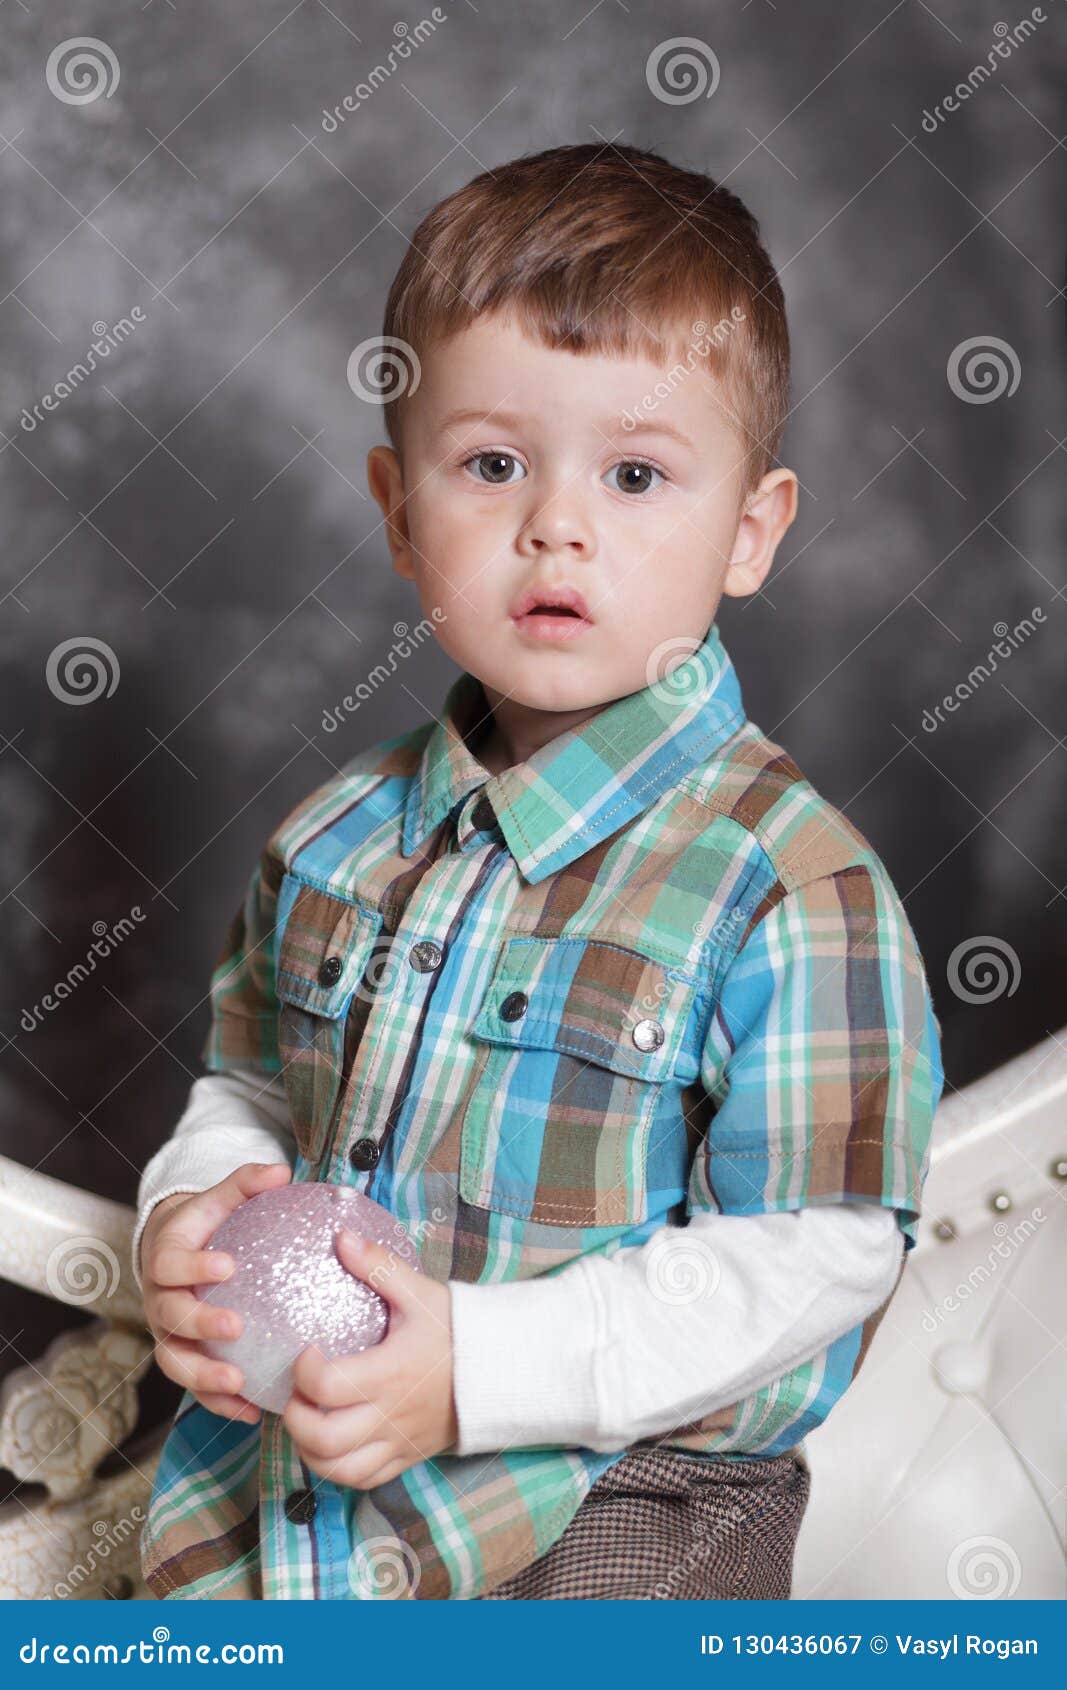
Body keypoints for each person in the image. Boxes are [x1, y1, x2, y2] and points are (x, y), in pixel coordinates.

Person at [133, 142, 944, 1601]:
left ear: (750, 530)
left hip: (618, 1516)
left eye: (636, 473)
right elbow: (248, 1090)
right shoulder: (330, 837)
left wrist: (478, 1370)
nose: (556, 523)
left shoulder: (789, 883)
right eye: (492, 462)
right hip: (292, 1494)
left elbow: (818, 1254)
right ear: (396, 506)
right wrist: (192, 1217)